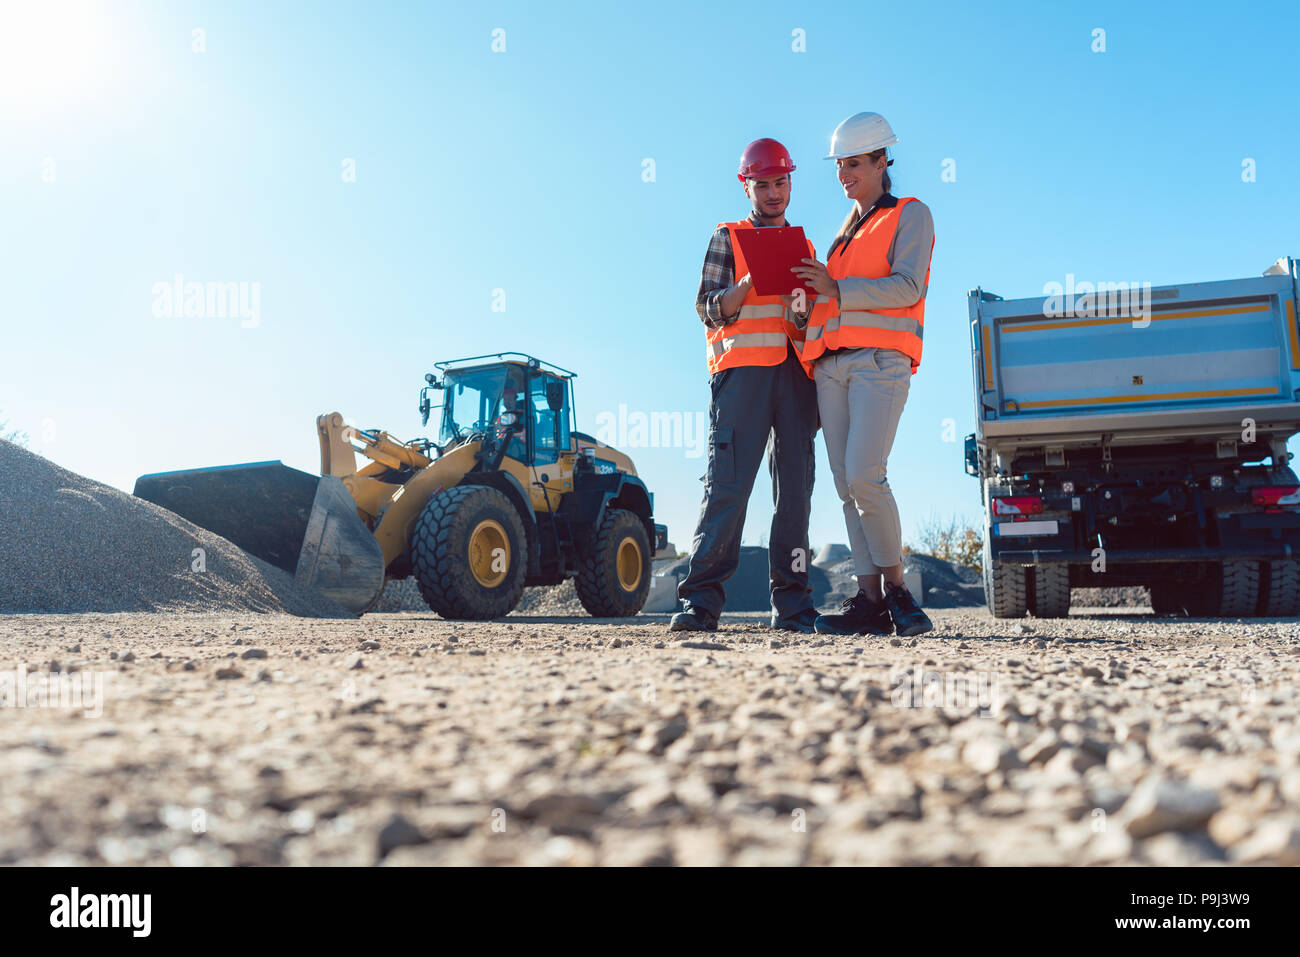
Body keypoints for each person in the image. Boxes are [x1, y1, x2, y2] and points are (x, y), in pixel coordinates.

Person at [790, 112, 935, 637]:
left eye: (854, 163)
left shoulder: (910, 215)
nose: (843, 173)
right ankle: (870, 600)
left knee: (864, 475)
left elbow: (907, 287)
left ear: (882, 161)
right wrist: (807, 307)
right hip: (831, 367)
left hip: (879, 362)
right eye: (839, 165)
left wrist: (836, 289)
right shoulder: (840, 238)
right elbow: (833, 300)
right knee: (845, 485)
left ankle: (898, 594)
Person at [670, 138, 821, 633]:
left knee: (795, 493)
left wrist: (801, 312)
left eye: (781, 183)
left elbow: (805, 323)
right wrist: (748, 283)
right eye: (763, 185)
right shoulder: (727, 237)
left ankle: (794, 604)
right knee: (728, 489)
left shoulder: (806, 246)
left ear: (791, 183)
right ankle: (701, 602)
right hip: (741, 379)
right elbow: (706, 308)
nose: (774, 193)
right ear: (747, 186)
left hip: (795, 379)